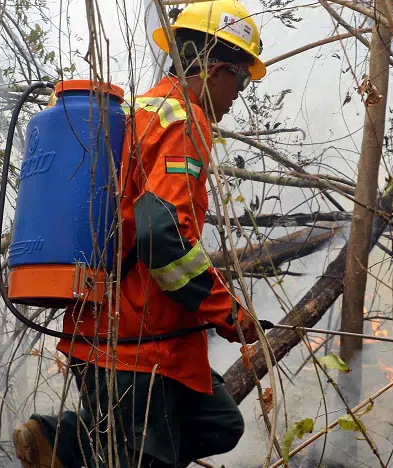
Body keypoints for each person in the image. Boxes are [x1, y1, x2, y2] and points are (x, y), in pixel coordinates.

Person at [14, 1, 267, 466]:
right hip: (133, 345)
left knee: (219, 422)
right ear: (215, 70)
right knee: (141, 457)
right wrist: (226, 311)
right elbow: (159, 235)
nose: (240, 93)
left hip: (120, 334)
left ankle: (63, 441)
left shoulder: (137, 112)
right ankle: (66, 439)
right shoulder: (183, 122)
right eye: (242, 78)